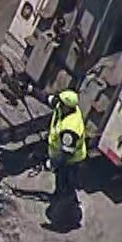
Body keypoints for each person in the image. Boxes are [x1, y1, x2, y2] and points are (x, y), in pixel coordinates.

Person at [44, 88, 90, 231]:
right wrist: (30, 90)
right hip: (65, 160)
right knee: (63, 186)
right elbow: (48, 99)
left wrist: (52, 163)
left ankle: (65, 219)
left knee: (65, 187)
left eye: (61, 102)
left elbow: (66, 154)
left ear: (67, 106)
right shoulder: (64, 109)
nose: (58, 103)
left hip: (71, 164)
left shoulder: (70, 129)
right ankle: (67, 204)